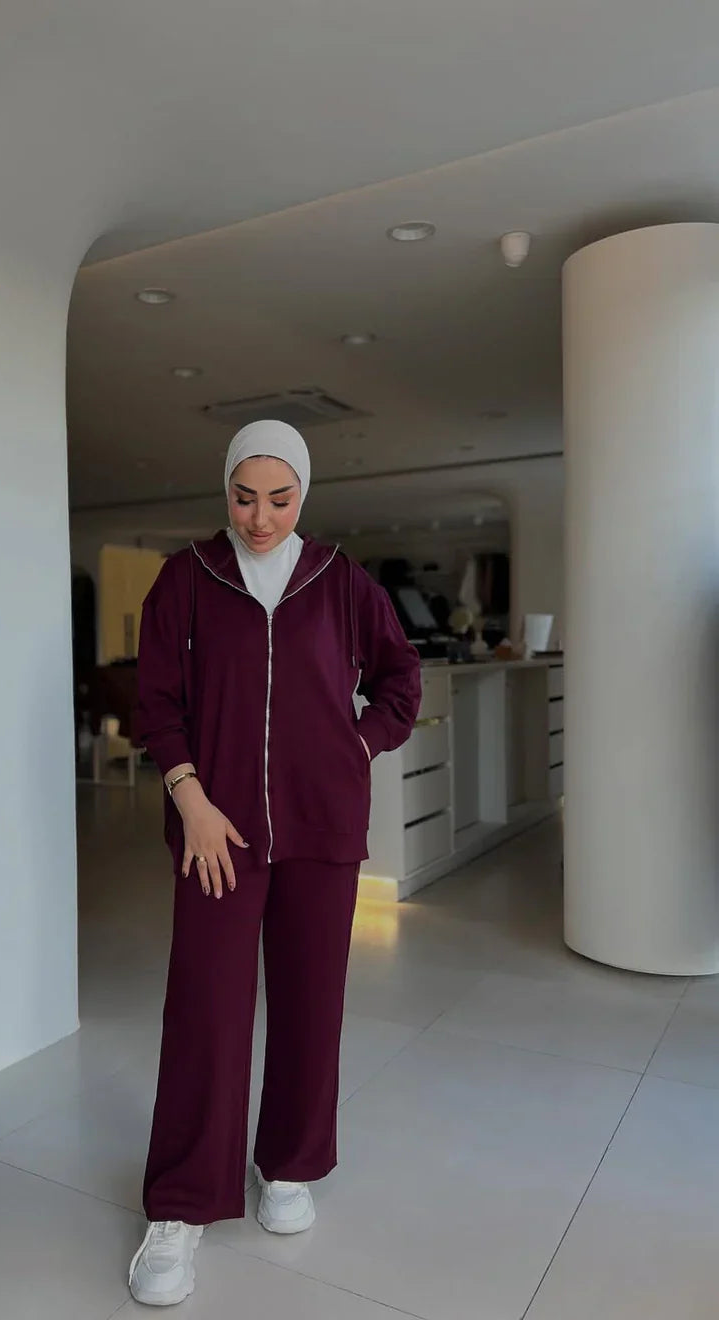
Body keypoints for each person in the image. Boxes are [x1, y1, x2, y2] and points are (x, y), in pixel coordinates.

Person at [128, 419, 421, 1306]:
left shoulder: (341, 581)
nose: (260, 518)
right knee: (205, 1012)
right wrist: (191, 800)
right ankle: (180, 1206)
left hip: (321, 829)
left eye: (280, 499)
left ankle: (287, 1165)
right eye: (245, 497)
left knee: (309, 1005)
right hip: (215, 832)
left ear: (305, 495)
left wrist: (353, 746)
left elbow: (401, 682)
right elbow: (156, 702)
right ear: (227, 490)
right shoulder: (186, 578)